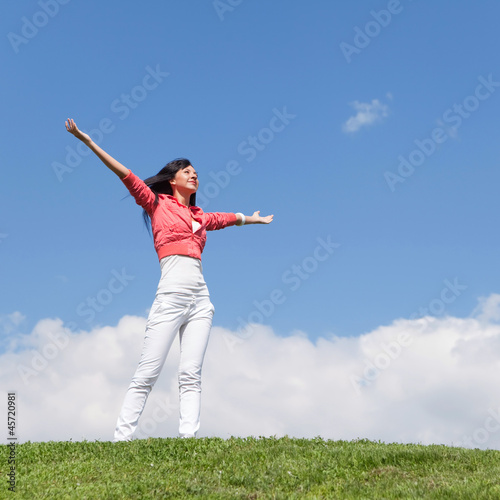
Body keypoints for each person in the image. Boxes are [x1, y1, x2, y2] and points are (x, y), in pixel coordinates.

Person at [65, 118, 273, 441]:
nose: (194, 174)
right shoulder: (157, 204)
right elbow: (126, 175)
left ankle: (188, 440)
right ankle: (121, 440)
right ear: (173, 179)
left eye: (196, 172)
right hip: (171, 296)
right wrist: (88, 142)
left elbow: (228, 218)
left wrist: (253, 219)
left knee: (191, 373)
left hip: (200, 300)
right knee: (148, 372)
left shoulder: (200, 216)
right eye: (187, 171)